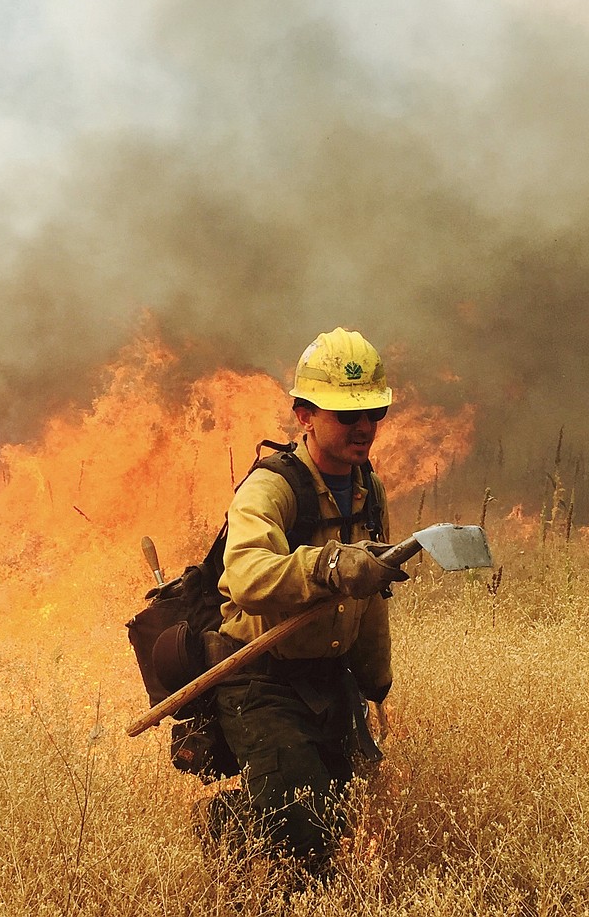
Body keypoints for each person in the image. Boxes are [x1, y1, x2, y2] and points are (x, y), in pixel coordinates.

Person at [204, 326, 408, 879]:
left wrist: (374, 683)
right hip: (261, 676)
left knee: (338, 814)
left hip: (328, 672)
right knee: (305, 828)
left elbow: (372, 596)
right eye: (347, 414)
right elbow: (246, 577)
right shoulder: (270, 489)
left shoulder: (369, 488)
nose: (364, 427)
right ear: (304, 414)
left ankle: (228, 823)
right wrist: (331, 564)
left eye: (375, 413)